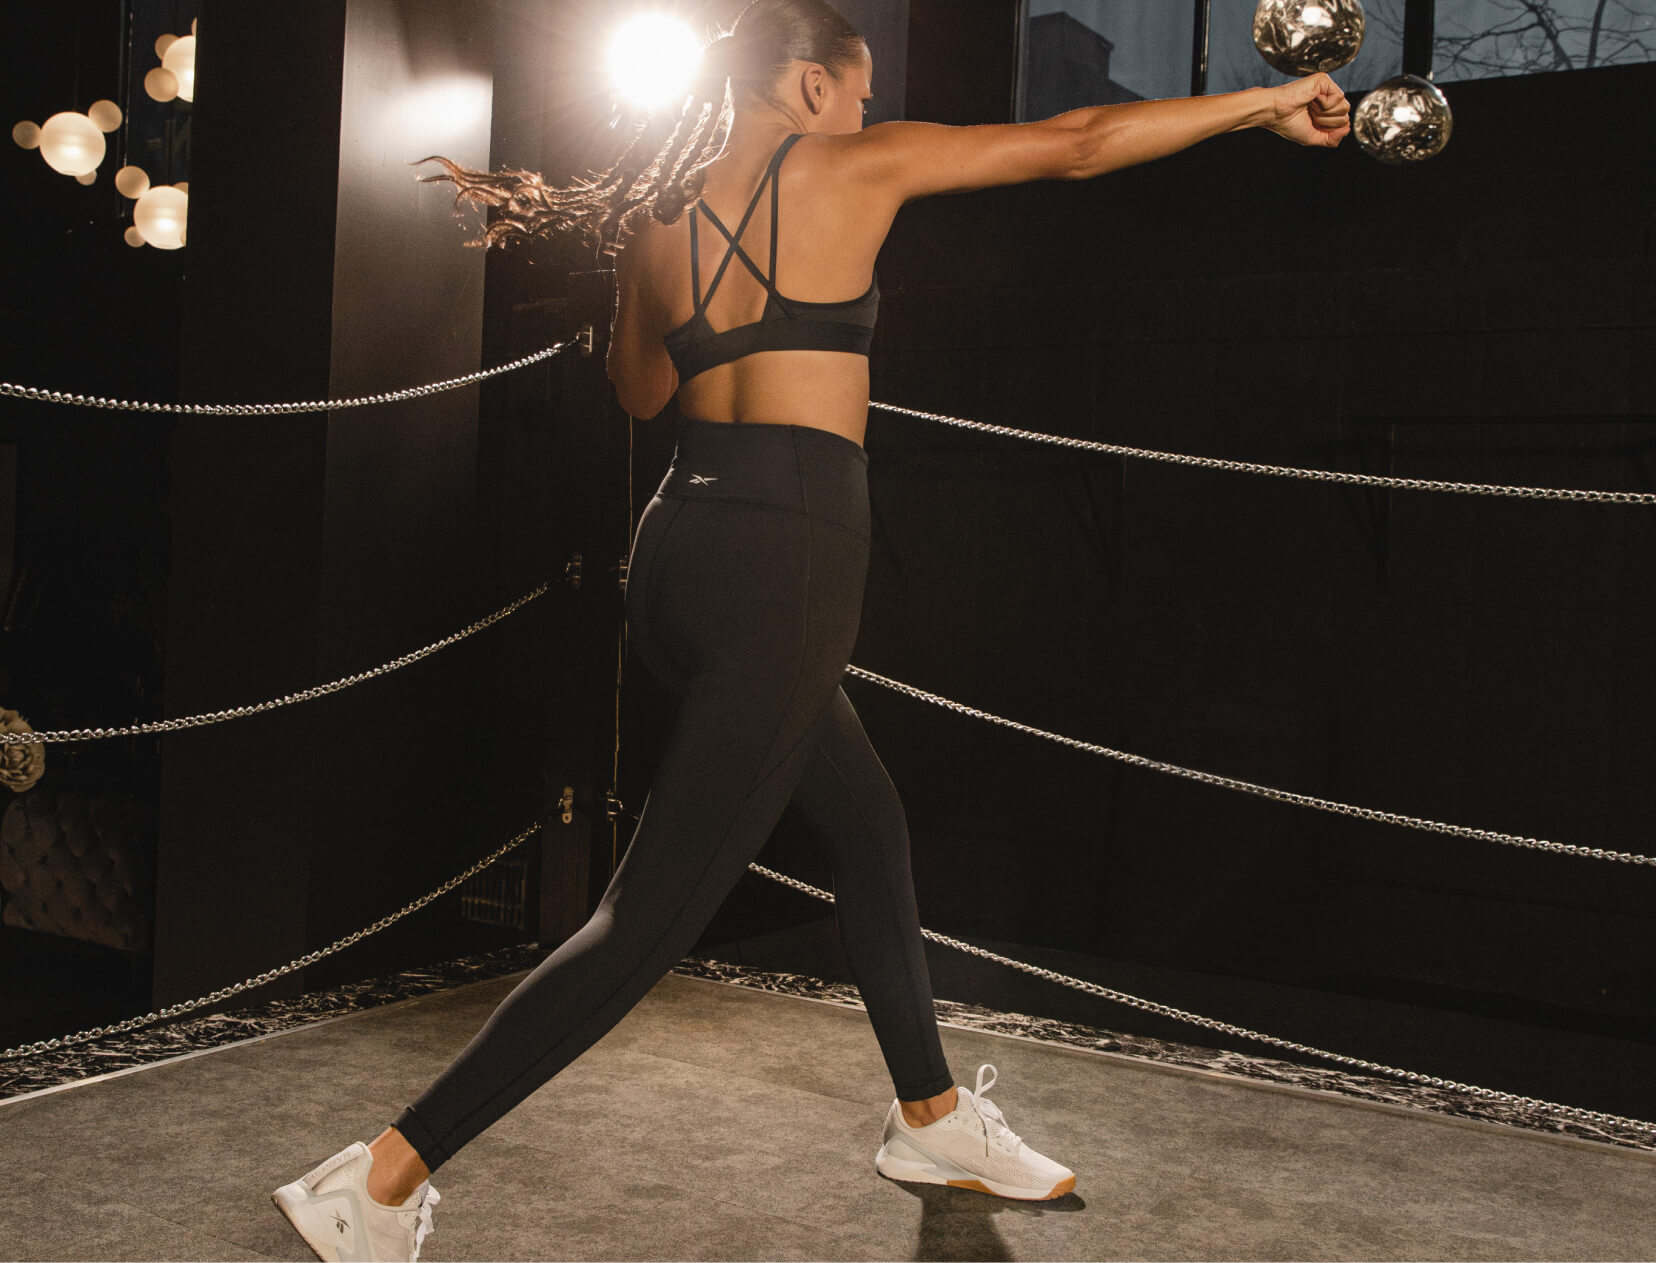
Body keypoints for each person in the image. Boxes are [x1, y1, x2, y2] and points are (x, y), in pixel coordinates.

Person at [272, 2, 1350, 1258]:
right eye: (862, 84)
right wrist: (1263, 105)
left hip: (678, 555)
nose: (871, 106)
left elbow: (641, 392)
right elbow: (1078, 141)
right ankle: (381, 1176)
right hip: (788, 555)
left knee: (868, 823)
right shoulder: (854, 168)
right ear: (809, 85)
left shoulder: (653, 215)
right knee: (649, 921)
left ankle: (931, 1115)